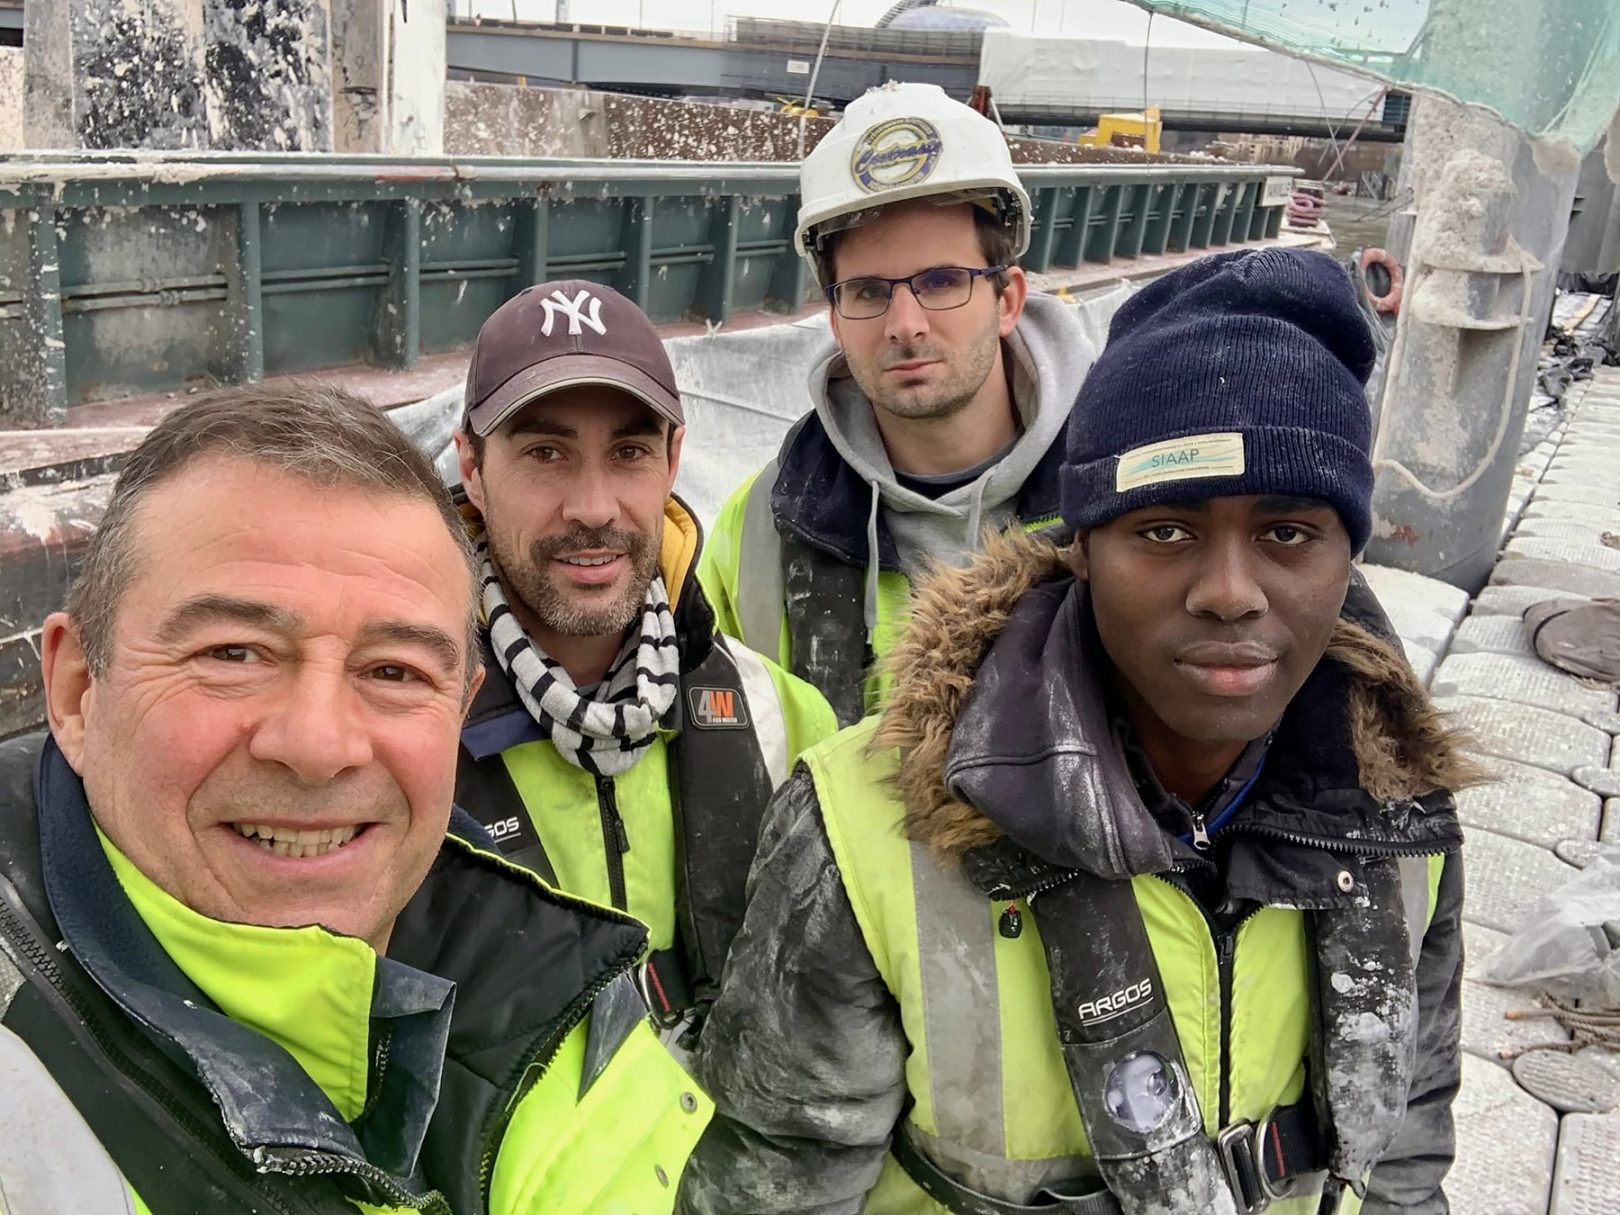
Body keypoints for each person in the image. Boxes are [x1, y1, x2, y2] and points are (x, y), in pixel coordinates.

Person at [680, 249, 1476, 1215]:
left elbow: (1404, 1154)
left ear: (1348, 555)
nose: (1230, 592)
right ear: (1084, 546)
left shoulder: (1403, 819)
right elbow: (775, 1183)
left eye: (1288, 533)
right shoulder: (859, 832)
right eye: (1166, 530)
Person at [0, 386, 709, 1214]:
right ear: (79, 690)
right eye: (234, 652)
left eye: (394, 670)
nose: (318, 745)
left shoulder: (571, 1020)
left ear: (459, 708)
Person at [452, 280, 836, 1031]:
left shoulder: (781, 719)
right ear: (472, 466)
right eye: (545, 453)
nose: (593, 507)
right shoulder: (404, 735)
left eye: (628, 452)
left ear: (673, 459)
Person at [698, 81, 1098, 724]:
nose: (905, 325)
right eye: (867, 291)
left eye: (941, 281)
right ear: (835, 319)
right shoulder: (762, 527)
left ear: (1007, 301)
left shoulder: (1122, 494)